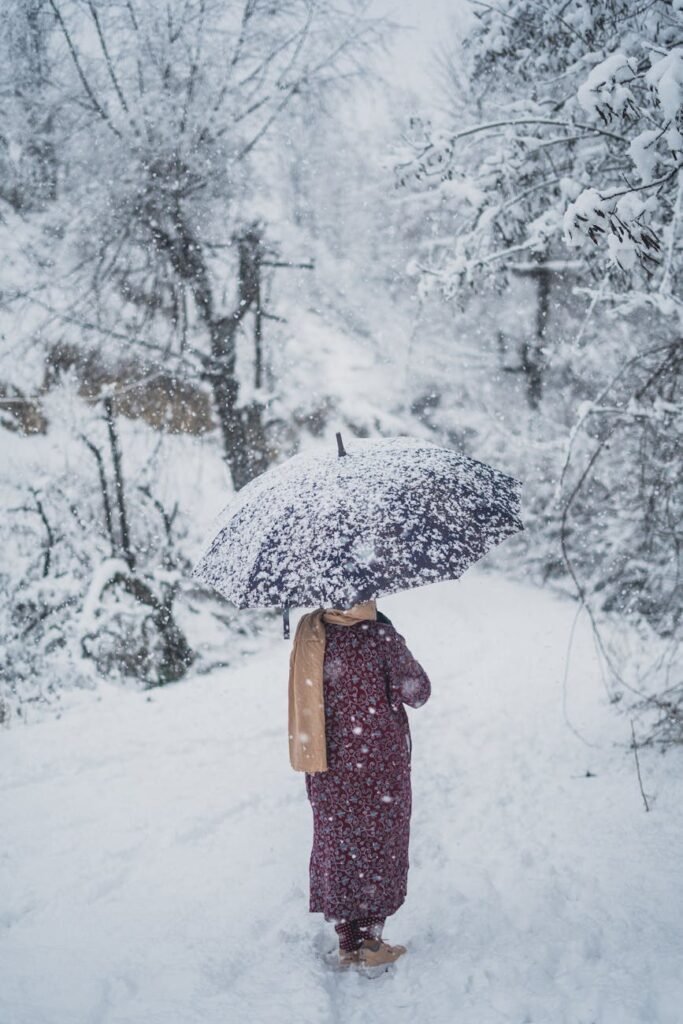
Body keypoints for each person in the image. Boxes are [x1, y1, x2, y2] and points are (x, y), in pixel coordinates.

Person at [288, 599, 431, 969]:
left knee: (339, 844)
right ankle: (371, 944)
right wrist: (393, 637)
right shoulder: (380, 636)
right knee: (378, 844)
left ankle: (348, 943)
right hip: (378, 763)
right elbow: (418, 692)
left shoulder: (313, 636)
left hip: (326, 763)